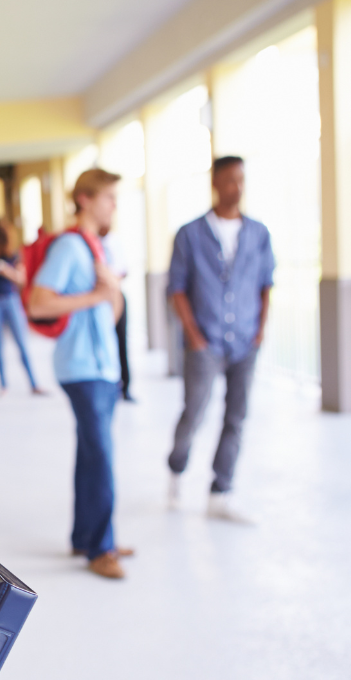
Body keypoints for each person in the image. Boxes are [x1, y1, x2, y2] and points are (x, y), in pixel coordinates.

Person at [27, 168, 131, 579]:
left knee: (92, 453)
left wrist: (112, 292)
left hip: (103, 367)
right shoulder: (71, 246)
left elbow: (111, 312)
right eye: (109, 198)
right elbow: (38, 302)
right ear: (86, 199)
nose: (115, 206)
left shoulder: (96, 248)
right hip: (82, 368)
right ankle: (101, 549)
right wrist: (96, 294)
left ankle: (87, 536)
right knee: (102, 456)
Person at [166, 156, 274, 522]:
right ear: (215, 183)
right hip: (205, 341)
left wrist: (260, 330)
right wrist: (194, 336)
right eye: (230, 180)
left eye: (242, 180)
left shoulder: (258, 233)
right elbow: (176, 289)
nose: (237, 188)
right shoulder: (190, 234)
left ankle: (220, 492)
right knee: (194, 411)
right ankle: (177, 468)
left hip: (245, 341)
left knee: (236, 417)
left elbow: (265, 285)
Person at [0, 223, 43, 395]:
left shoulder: (13, 257)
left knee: (22, 343)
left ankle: (34, 384)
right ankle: (3, 385)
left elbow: (21, 279)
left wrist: (5, 271)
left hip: (11, 300)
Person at [99, 223, 134, 401]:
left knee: (122, 342)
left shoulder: (115, 242)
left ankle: (125, 387)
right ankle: (108, 386)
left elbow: (124, 270)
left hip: (116, 296)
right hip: (99, 300)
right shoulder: (91, 244)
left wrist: (111, 280)